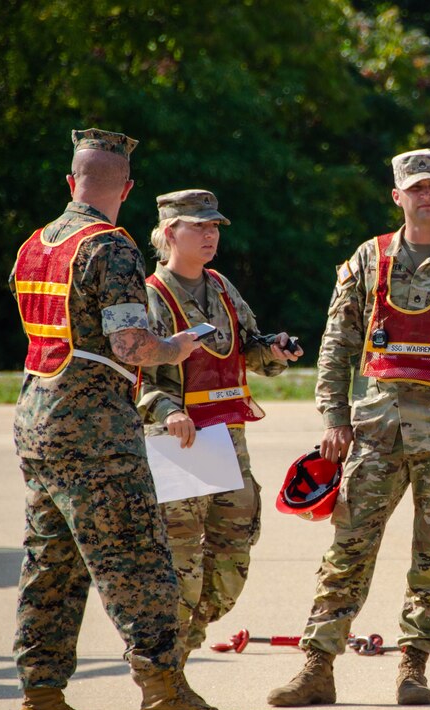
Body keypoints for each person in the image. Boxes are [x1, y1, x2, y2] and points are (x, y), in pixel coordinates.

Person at [267, 148, 430, 708]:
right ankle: (318, 667)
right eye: (415, 188)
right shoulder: (369, 259)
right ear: (398, 197)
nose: (427, 195)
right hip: (375, 435)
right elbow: (337, 343)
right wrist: (334, 417)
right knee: (348, 552)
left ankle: (413, 668)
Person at [10, 129, 238, 710]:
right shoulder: (110, 247)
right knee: (138, 560)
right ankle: (164, 696)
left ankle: (41, 696)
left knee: (50, 564)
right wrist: (179, 345)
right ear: (128, 188)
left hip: (37, 417)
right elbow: (133, 345)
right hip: (93, 430)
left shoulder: (35, 243)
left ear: (71, 182)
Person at [137, 190, 303, 670]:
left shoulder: (222, 287)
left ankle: (180, 653)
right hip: (180, 447)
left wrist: (273, 351)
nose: (211, 235)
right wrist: (167, 410)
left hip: (228, 443)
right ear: (169, 233)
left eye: (214, 228)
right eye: (199, 227)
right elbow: (135, 372)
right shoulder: (151, 295)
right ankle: (165, 676)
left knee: (231, 564)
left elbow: (246, 349)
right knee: (180, 569)